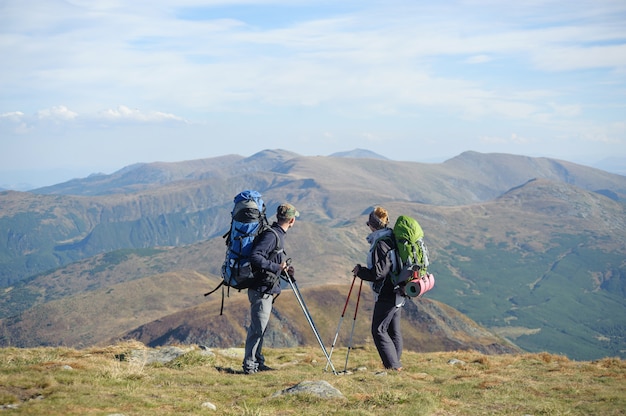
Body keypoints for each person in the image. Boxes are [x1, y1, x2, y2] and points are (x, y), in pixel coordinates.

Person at [242, 202, 298, 374]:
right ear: (292, 220)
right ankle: (250, 365)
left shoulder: (277, 235)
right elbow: (255, 256)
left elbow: (271, 260)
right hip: (261, 289)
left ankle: (257, 362)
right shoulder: (272, 236)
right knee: (258, 328)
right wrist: (277, 268)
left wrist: (284, 271)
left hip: (266, 288)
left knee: (261, 327)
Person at [352, 206, 404, 371]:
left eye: (369, 224)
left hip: (386, 292)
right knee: (393, 330)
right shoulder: (391, 238)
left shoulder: (380, 244)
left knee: (379, 330)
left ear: (373, 225)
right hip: (399, 289)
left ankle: (394, 367)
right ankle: (395, 365)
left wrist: (360, 272)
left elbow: (379, 273)